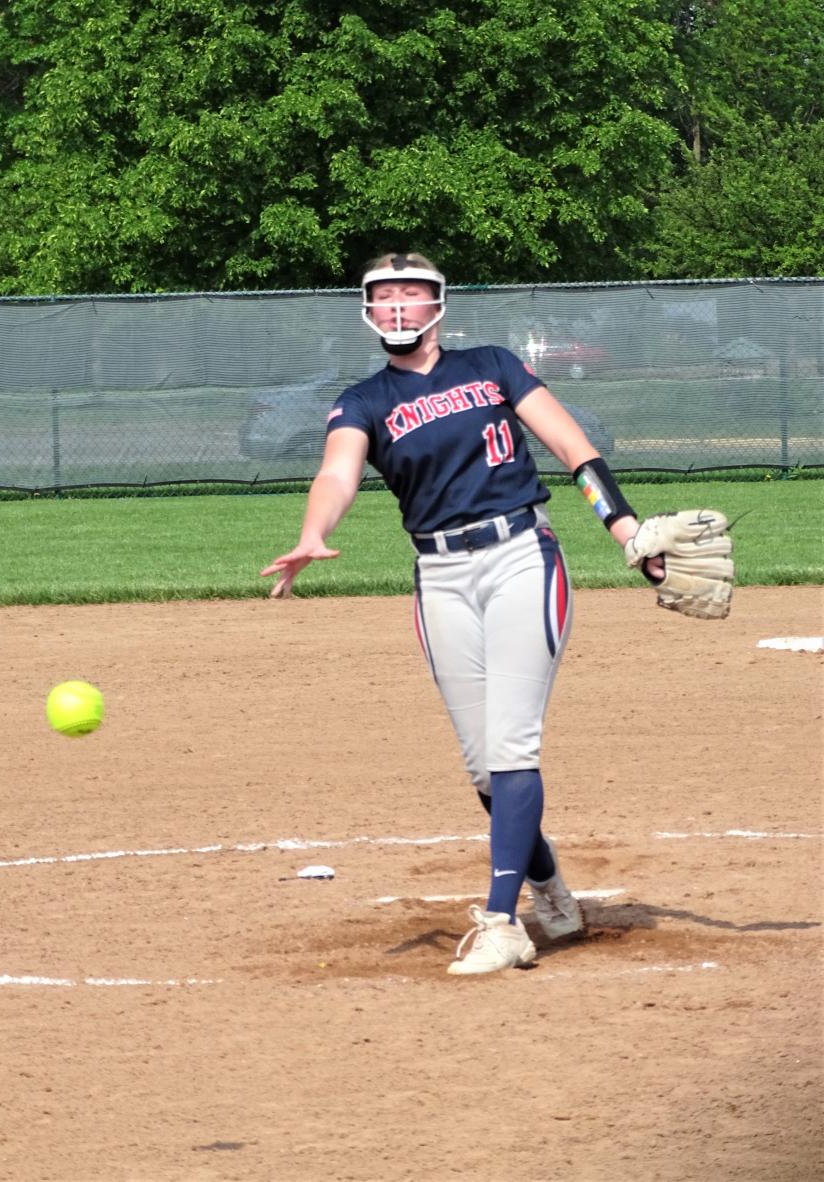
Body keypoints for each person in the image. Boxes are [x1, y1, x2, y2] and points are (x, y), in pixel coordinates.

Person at [261, 252, 661, 976]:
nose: (398, 307)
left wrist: (625, 529)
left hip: (519, 558)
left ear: (438, 304)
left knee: (512, 746)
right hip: (440, 575)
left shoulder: (493, 366)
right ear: (367, 310)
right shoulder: (363, 400)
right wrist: (315, 530)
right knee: (484, 769)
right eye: (384, 296)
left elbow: (572, 447)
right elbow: (338, 470)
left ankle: (505, 922)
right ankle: (543, 879)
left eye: (412, 292)